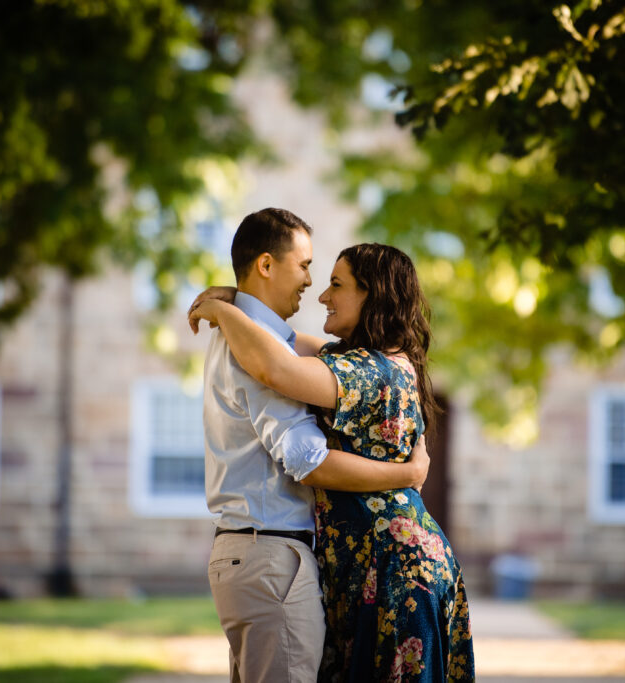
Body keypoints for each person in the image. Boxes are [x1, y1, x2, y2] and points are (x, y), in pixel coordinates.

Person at [190, 242, 475, 682]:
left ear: (372, 295)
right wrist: (237, 299)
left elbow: (276, 369)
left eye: (336, 285)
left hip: (393, 570)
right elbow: (284, 342)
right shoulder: (363, 362)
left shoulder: (369, 372)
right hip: (375, 564)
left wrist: (223, 312)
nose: (322, 295)